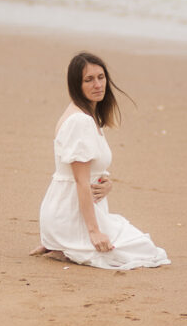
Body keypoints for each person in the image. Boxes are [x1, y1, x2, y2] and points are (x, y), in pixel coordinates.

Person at [30, 51, 170, 270]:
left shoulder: (86, 116)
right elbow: (80, 181)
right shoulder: (80, 121)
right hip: (71, 216)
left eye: (101, 77)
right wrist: (94, 232)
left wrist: (106, 183)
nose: (97, 85)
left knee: (142, 247)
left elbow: (88, 171)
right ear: (76, 85)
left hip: (75, 213)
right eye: (88, 80)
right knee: (147, 251)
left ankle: (62, 244)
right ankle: (65, 245)